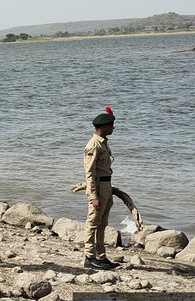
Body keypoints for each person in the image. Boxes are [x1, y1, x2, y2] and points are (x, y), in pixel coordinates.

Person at [83, 106, 118, 270]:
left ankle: (101, 256)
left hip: (106, 186)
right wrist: (93, 196)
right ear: (103, 127)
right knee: (93, 223)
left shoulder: (103, 143)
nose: (113, 128)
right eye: (111, 125)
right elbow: (89, 173)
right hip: (98, 187)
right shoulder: (93, 145)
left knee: (102, 223)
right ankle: (89, 257)